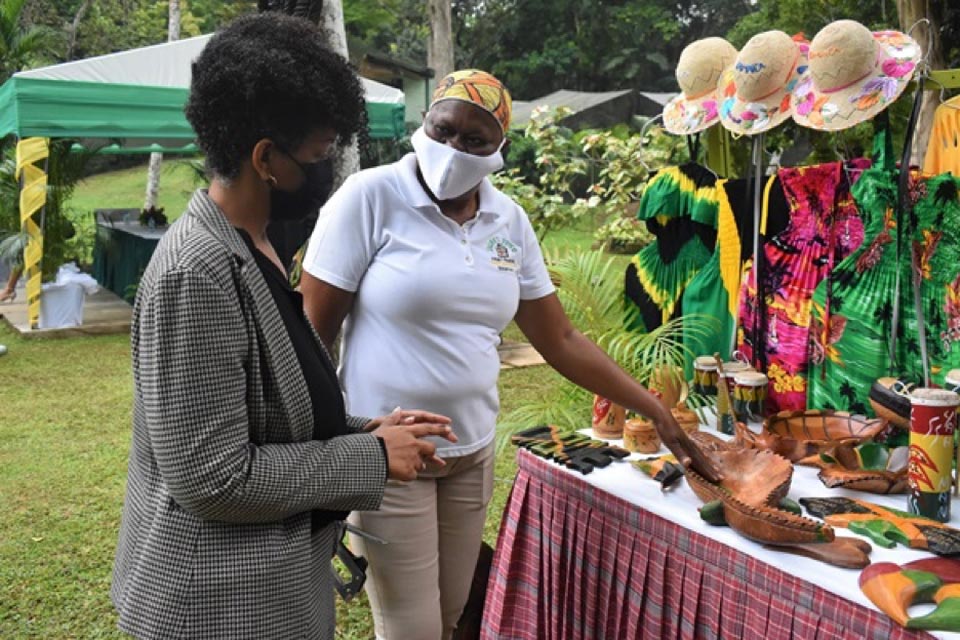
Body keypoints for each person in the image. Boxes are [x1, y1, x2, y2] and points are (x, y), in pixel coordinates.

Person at [300, 69, 721, 640]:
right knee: (410, 629)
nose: (453, 149)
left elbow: (560, 339)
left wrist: (656, 409)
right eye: (443, 129)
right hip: (390, 455)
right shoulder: (370, 198)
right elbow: (308, 335)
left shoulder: (509, 221)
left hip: (470, 453)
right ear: (423, 124)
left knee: (451, 614)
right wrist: (328, 447)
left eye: (475, 140)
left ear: (500, 147)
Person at [110, 14, 455, 640]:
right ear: (266, 158)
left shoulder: (254, 245)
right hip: (214, 606)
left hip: (267, 586)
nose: (326, 172)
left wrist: (364, 429)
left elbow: (269, 418)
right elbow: (213, 477)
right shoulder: (198, 273)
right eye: (320, 154)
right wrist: (371, 455)